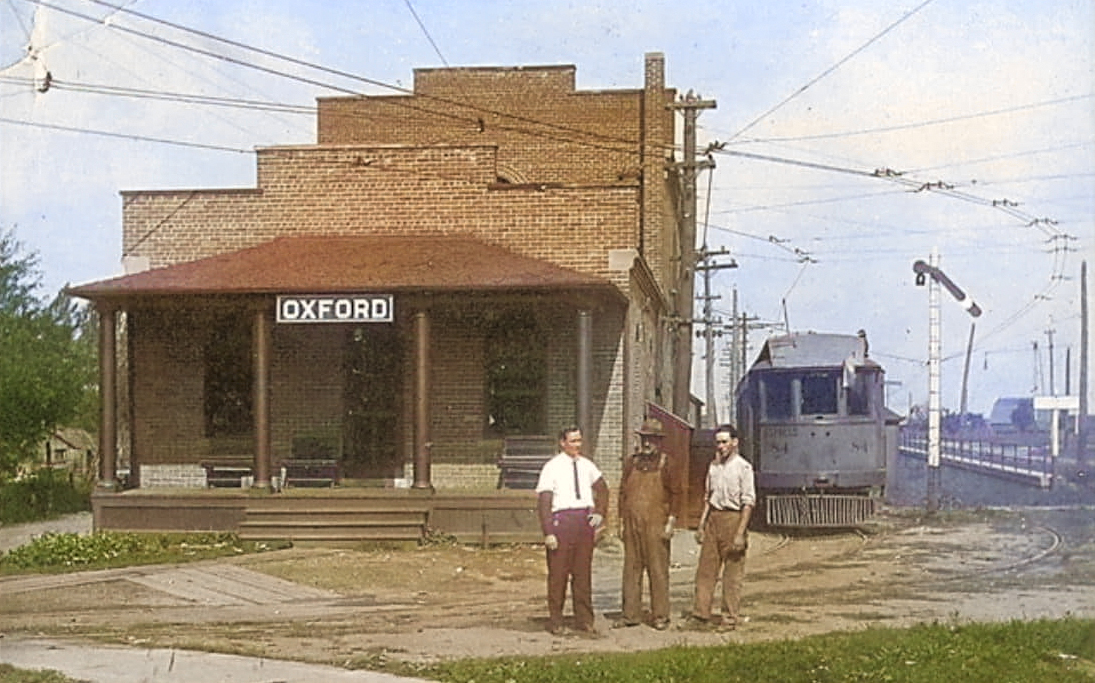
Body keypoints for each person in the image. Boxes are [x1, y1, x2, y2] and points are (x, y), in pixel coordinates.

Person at [535, 426, 609, 636]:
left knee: (582, 574)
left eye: (579, 441)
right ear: (562, 443)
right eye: (573, 441)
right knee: (558, 575)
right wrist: (548, 531)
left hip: (583, 523)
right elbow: (544, 502)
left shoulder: (587, 465)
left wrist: (600, 513)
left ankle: (584, 620)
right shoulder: (552, 467)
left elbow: (603, 489)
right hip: (562, 523)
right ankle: (556, 621)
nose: (577, 445)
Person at [613, 417, 684, 630]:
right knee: (631, 570)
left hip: (656, 525)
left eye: (651, 439)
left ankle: (660, 616)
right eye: (644, 438)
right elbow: (623, 493)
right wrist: (620, 522)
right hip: (632, 525)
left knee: (658, 571)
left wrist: (671, 523)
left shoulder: (667, 463)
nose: (647, 443)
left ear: (659, 441)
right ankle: (630, 615)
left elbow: (677, 495)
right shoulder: (631, 462)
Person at [689, 423, 755, 631]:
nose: (721, 446)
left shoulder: (744, 468)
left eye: (725, 442)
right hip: (713, 520)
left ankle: (729, 618)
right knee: (705, 571)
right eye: (718, 442)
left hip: (733, 519)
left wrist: (739, 533)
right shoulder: (713, 467)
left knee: (732, 575)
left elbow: (748, 503)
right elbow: (708, 498)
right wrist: (700, 526)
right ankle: (700, 615)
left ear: (735, 443)